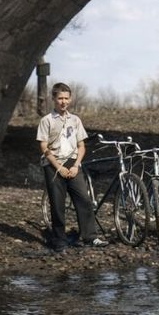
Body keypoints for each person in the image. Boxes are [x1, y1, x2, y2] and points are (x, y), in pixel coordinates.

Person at [37, 82, 107, 252]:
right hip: (53, 163)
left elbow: (81, 146)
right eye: (60, 98)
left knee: (84, 199)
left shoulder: (75, 120)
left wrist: (76, 165)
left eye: (66, 98)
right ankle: (59, 239)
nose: (63, 102)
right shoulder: (46, 121)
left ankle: (90, 237)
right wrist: (58, 167)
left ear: (70, 99)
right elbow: (44, 147)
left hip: (72, 163)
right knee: (57, 204)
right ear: (53, 99)